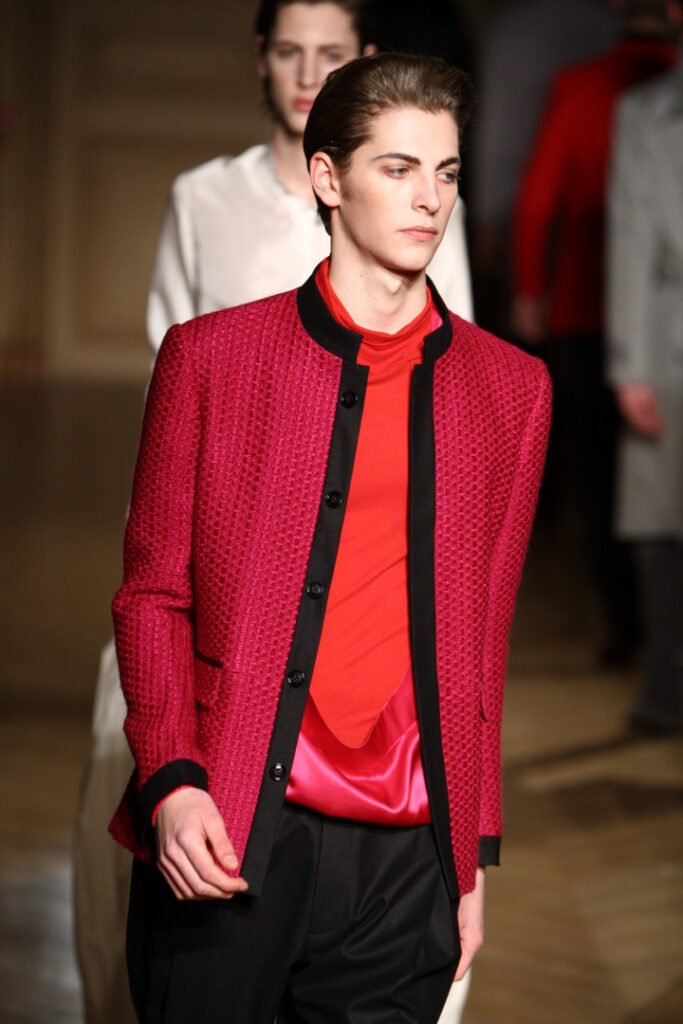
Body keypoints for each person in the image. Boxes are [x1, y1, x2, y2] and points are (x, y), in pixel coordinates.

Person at [110, 52, 551, 1024]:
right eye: (397, 168)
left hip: (407, 856)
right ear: (327, 178)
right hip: (228, 823)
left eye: (444, 172)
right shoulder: (210, 360)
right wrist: (171, 782)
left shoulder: (511, 392)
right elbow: (152, 595)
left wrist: (469, 857)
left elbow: (480, 641)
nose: (428, 198)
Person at [511, 0, 678, 665]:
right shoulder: (662, 92)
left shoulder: (580, 86)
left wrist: (531, 286)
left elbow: (538, 197)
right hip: (661, 324)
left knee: (600, 477)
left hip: (586, 308)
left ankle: (626, 629)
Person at [606, 55, 683, 736]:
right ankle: (665, 684)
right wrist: (629, 362)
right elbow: (630, 237)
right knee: (658, 519)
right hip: (667, 339)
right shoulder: (645, 112)